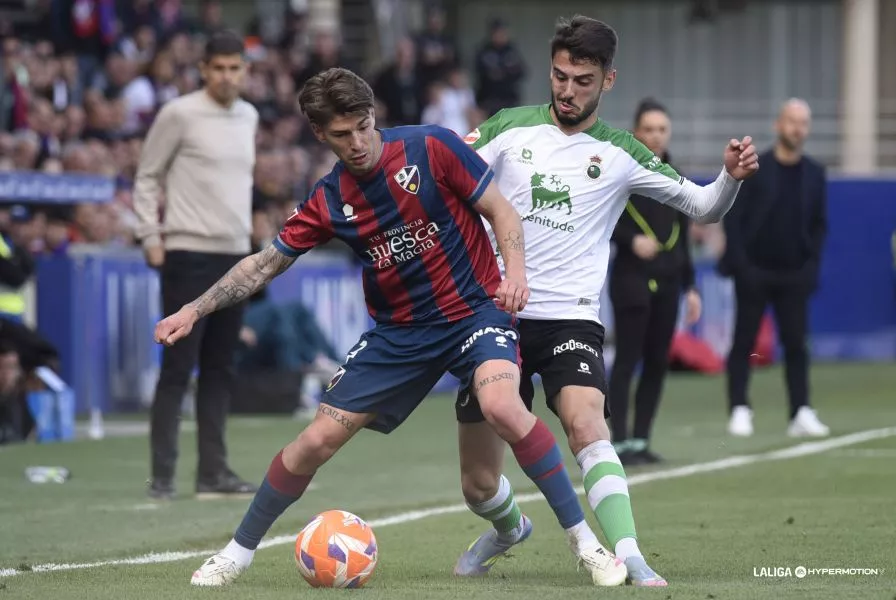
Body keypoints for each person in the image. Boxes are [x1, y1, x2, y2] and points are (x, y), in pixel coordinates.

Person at [157, 67, 594, 588]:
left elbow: (502, 211)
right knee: (316, 442)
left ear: (373, 116)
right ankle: (236, 553)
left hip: (475, 312)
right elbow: (264, 264)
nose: (358, 142)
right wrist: (193, 309)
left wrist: (515, 274)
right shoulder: (328, 199)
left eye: (364, 126)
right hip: (399, 336)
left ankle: (586, 544)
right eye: (342, 135)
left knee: (502, 404)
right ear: (320, 135)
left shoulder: (432, 147)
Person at [454, 15, 759, 587]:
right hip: (497, 316)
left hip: (571, 316)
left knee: (586, 422)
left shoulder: (621, 153)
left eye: (583, 80)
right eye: (560, 76)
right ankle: (508, 527)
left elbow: (704, 207)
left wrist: (731, 176)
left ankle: (629, 553)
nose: (567, 91)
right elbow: (447, 168)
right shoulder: (507, 128)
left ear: (608, 81)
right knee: (476, 483)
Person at [133, 30, 259, 500]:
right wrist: (150, 235)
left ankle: (213, 473)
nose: (227, 76)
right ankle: (161, 479)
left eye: (235, 68)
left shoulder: (249, 115)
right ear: (203, 69)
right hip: (187, 252)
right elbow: (147, 176)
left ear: (245, 71)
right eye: (219, 68)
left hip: (235, 256)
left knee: (221, 368)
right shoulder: (178, 113)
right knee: (178, 368)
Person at [717, 98, 829, 438]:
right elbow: (733, 220)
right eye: (791, 121)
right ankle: (739, 409)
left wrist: (811, 266)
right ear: (778, 125)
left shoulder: (815, 173)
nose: (797, 128)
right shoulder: (756, 168)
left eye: (803, 123)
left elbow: (819, 224)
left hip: (794, 273)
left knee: (797, 344)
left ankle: (801, 411)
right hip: (755, 272)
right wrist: (742, 266)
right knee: (744, 341)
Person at [607, 98, 702, 464]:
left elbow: (684, 233)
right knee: (628, 359)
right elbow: (601, 221)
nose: (656, 136)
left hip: (669, 281)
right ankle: (618, 441)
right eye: (648, 129)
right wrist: (632, 240)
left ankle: (641, 441)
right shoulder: (620, 174)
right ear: (636, 132)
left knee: (658, 362)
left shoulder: (676, 177)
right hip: (631, 279)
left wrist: (691, 287)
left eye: (662, 129)